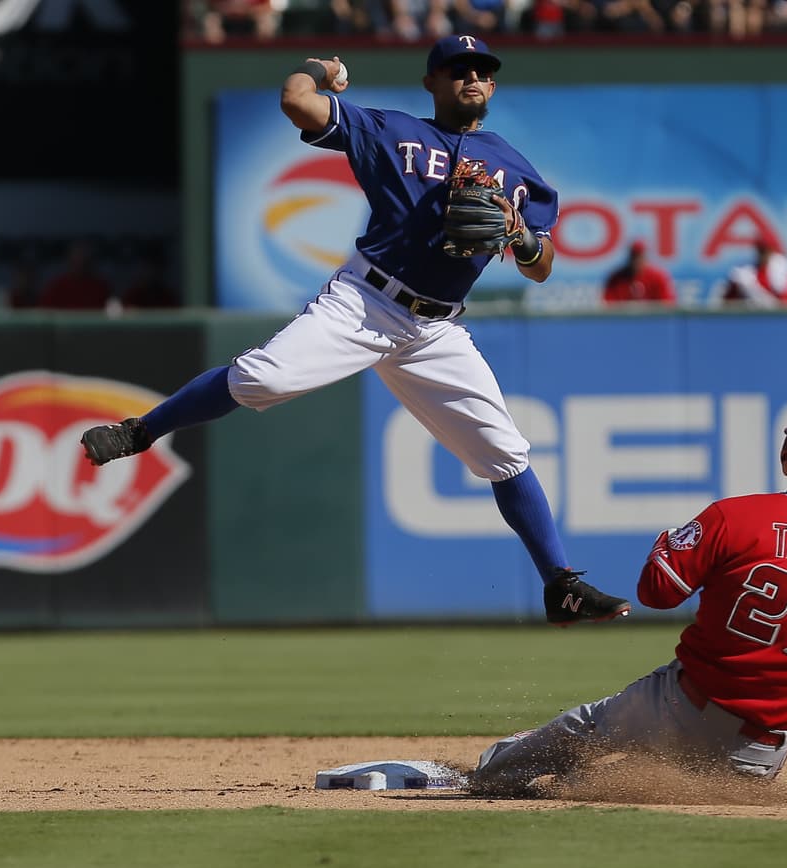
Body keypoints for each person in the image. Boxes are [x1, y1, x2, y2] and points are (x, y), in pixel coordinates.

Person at [78, 36, 631, 628]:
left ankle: (560, 586)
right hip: (367, 301)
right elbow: (296, 100)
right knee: (263, 377)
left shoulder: (516, 167)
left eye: (483, 71)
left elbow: (542, 266)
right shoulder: (391, 131)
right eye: (457, 69)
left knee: (506, 453)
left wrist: (523, 240)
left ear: (492, 86)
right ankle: (141, 430)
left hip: (436, 330)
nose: (472, 77)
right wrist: (320, 69)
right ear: (432, 82)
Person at [470, 401, 787, 797]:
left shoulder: (737, 517)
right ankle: (590, 783)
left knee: (577, 736)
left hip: (677, 706)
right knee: (615, 787)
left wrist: (666, 542)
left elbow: (658, 594)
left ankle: (488, 774)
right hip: (757, 753)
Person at [719, 237, 787, 308]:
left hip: (781, 320)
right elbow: (726, 302)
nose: (762, 254)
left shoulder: (782, 268)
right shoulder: (750, 271)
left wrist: (751, 288)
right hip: (755, 320)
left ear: (772, 250)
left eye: (766, 250)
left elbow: (785, 304)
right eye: (760, 250)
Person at [38, 240, 113, 310]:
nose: (81, 263)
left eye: (84, 259)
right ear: (69, 261)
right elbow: (43, 313)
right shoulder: (57, 286)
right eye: (76, 259)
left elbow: (113, 313)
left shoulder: (100, 286)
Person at [601, 240, 676, 306]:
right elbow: (608, 306)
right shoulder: (616, 278)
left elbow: (668, 304)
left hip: (654, 321)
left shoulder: (659, 277)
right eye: (634, 256)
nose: (637, 260)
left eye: (640, 256)